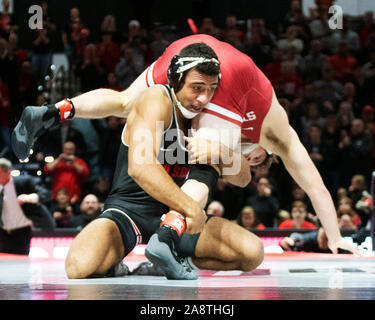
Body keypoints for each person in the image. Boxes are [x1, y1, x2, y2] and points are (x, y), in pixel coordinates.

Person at [12, 34, 359, 258]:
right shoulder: (275, 128)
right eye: (256, 158)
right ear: (263, 148)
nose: (251, 159)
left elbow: (312, 186)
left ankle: (56, 110)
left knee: (123, 102)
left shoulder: (261, 125)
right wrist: (337, 237)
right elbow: (312, 182)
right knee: (204, 160)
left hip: (189, 51)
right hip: (224, 76)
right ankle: (169, 234)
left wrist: (334, 235)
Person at [64, 43, 264, 280]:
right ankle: (121, 263)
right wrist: (191, 208)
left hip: (180, 222)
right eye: (197, 88)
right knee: (79, 266)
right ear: (177, 80)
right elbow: (141, 168)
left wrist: (224, 152)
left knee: (252, 253)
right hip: (131, 210)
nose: (203, 98)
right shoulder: (156, 100)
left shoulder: (211, 117)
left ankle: (168, 259)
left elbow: (243, 179)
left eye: (211, 89)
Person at [0, 158, 32, 254]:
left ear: (7, 172)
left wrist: (32, 197)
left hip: (22, 233)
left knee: (22, 265)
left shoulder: (22, 183)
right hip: (2, 233)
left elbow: (44, 194)